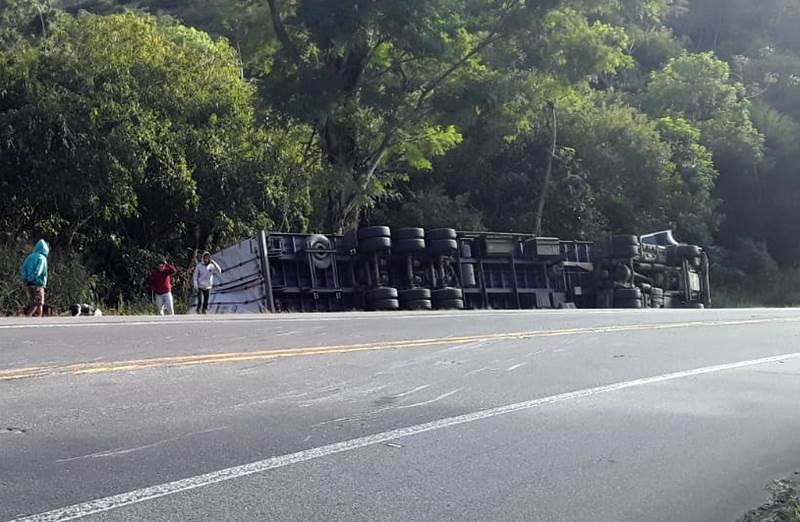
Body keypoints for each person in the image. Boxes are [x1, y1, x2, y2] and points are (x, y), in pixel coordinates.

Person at [19, 239, 49, 317]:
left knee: (33, 301)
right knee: (39, 303)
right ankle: (35, 317)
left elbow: (23, 268)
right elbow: (38, 270)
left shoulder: (30, 257)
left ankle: (30, 316)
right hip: (38, 283)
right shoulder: (42, 258)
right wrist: (33, 278)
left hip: (29, 283)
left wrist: (26, 278)